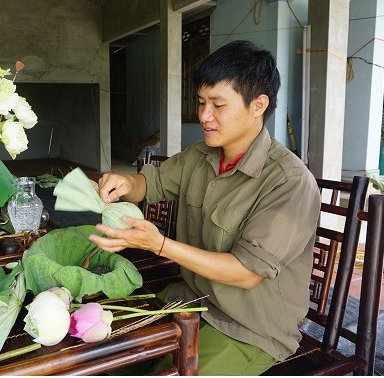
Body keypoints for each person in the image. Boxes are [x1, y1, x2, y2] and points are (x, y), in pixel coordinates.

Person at [89, 40, 321, 375]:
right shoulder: (200, 155)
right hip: (191, 298)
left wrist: (160, 245)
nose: (204, 116)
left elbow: (246, 273)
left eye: (217, 105)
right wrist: (127, 183)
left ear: (258, 105)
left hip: (249, 329)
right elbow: (149, 185)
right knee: (105, 353)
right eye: (200, 102)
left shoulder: (289, 181)